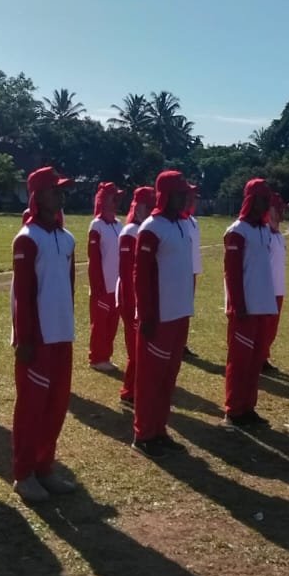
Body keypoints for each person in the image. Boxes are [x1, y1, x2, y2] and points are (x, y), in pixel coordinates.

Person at [10, 167, 79, 502]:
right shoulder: (27, 238)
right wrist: (24, 339)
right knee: (31, 408)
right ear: (37, 196)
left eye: (61, 190)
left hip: (62, 334)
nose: (60, 195)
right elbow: (22, 295)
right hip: (37, 339)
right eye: (54, 190)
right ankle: (24, 474)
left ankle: (45, 467)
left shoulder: (67, 239)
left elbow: (69, 287)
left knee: (56, 405)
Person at [132, 170, 197, 457]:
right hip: (159, 317)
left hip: (180, 313)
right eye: (181, 194)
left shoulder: (182, 224)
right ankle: (144, 434)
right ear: (166, 195)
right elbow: (141, 275)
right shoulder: (151, 227)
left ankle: (159, 429)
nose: (185, 198)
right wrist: (146, 315)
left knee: (168, 377)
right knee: (150, 379)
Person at [221, 178, 276, 429]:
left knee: (255, 362)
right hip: (245, 309)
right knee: (240, 361)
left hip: (263, 306)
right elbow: (231, 273)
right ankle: (234, 410)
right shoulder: (237, 231)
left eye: (267, 200)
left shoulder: (264, 230)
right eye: (262, 199)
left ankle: (248, 407)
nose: (265, 205)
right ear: (251, 201)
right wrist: (237, 306)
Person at [116, 186, 155, 408]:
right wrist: (135, 303)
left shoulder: (146, 229)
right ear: (137, 207)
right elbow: (126, 273)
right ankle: (129, 391)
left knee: (143, 348)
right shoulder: (130, 232)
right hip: (130, 297)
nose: (150, 210)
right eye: (146, 206)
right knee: (136, 348)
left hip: (141, 298)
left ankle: (139, 389)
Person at [86, 182, 125, 372]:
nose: (116, 201)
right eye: (112, 197)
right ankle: (96, 358)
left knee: (112, 324)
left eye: (117, 197)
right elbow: (93, 259)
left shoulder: (119, 224)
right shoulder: (97, 225)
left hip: (116, 286)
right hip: (102, 286)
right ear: (103, 200)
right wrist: (97, 286)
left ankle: (106, 356)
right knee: (100, 324)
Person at [261, 192, 288, 376]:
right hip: (267, 289)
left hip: (278, 288)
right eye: (275, 208)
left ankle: (263, 356)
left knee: (272, 328)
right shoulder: (264, 233)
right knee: (264, 326)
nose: (279, 211)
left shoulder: (278, 235)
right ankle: (259, 357)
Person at [182, 187, 202, 359]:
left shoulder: (193, 221)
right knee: (179, 308)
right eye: (189, 197)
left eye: (194, 198)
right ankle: (177, 342)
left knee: (187, 308)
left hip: (192, 271)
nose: (192, 201)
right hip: (181, 272)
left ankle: (182, 342)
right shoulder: (179, 220)